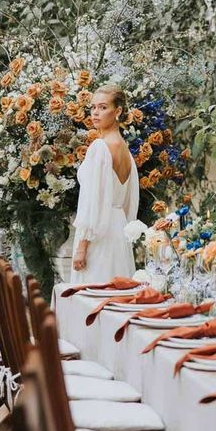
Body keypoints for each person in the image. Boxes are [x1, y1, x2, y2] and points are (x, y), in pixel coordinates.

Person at [69, 85, 139, 283]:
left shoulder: (100, 147)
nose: (96, 113)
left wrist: (82, 247)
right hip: (118, 229)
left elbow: (92, 200)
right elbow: (128, 201)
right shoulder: (124, 148)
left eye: (103, 107)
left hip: (98, 234)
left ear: (117, 111)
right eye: (93, 108)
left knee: (92, 298)